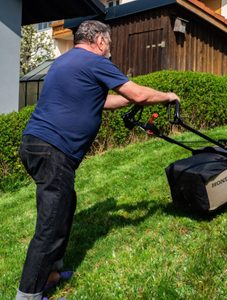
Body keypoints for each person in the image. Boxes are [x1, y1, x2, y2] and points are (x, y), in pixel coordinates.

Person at [16, 20, 179, 300]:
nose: (110, 50)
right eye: (110, 45)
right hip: (53, 149)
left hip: (34, 145)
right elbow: (138, 92)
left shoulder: (64, 63)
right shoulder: (94, 61)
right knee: (49, 225)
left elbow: (99, 100)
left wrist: (129, 100)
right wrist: (166, 96)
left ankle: (51, 273)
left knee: (65, 206)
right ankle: (28, 295)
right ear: (100, 42)